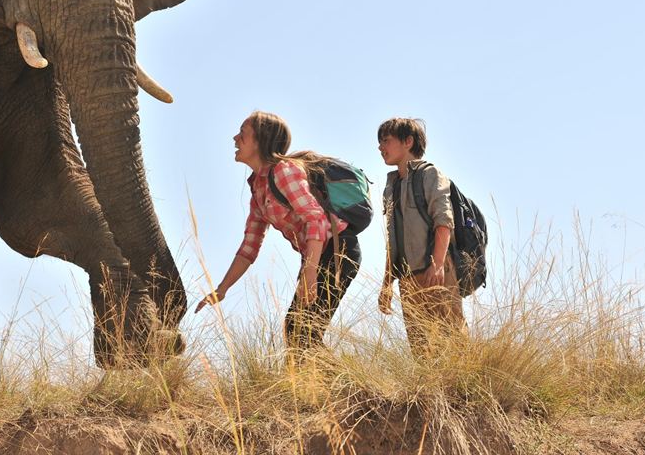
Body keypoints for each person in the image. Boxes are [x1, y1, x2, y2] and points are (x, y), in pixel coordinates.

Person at [195, 111, 361, 352]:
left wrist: (310, 273)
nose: (235, 138)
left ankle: (351, 388)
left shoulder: (284, 171)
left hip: (337, 252)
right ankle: (321, 387)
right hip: (317, 258)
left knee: (301, 333)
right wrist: (223, 288)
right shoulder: (259, 187)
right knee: (298, 332)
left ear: (260, 141)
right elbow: (249, 248)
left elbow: (316, 220)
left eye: (242, 134)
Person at [376, 117, 467, 357]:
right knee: (421, 349)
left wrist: (437, 265)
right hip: (408, 278)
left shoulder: (430, 174)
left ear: (408, 141)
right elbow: (392, 239)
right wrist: (387, 283)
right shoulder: (392, 185)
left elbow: (444, 222)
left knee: (454, 340)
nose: (380, 147)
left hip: (436, 271)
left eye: (386, 140)